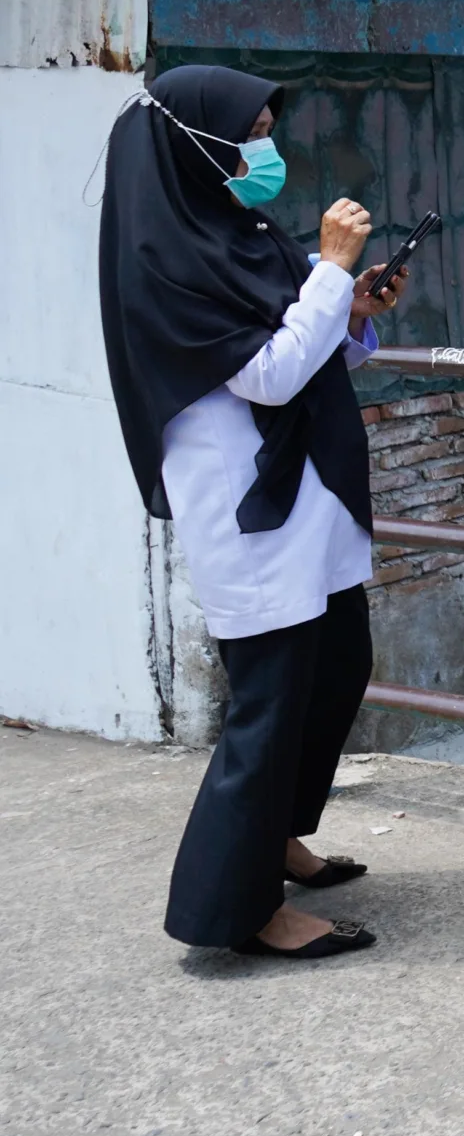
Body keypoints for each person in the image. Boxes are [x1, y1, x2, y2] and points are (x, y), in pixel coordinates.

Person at [98, 65, 408, 960]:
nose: (266, 148)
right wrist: (333, 272)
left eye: (271, 126)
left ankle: (279, 837)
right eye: (253, 130)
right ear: (196, 145)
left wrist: (349, 307)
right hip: (251, 517)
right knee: (268, 707)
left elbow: (304, 354)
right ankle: (235, 910)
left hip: (305, 502)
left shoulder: (241, 237)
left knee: (340, 662)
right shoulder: (165, 262)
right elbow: (268, 373)